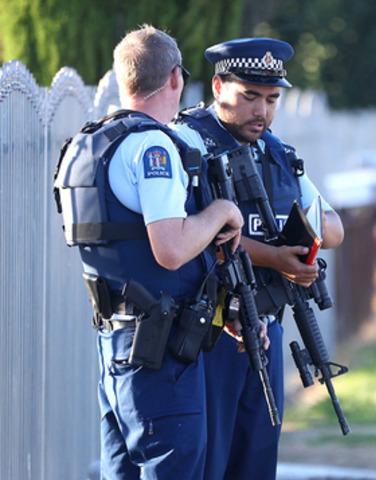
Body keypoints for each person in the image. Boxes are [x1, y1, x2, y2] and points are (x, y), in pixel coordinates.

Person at [53, 25, 244, 478]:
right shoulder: (152, 146)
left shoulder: (90, 143)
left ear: (123, 79)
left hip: (115, 346)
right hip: (160, 356)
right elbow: (171, 249)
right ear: (175, 79)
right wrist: (220, 211)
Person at [170, 37, 344, 480]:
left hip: (264, 323)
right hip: (208, 334)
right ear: (217, 86)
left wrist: (301, 254)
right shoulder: (187, 143)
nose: (261, 111)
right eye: (249, 96)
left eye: (271, 99)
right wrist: (275, 256)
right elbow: (186, 233)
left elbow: (333, 226)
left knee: (257, 459)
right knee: (210, 461)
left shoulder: (277, 152)